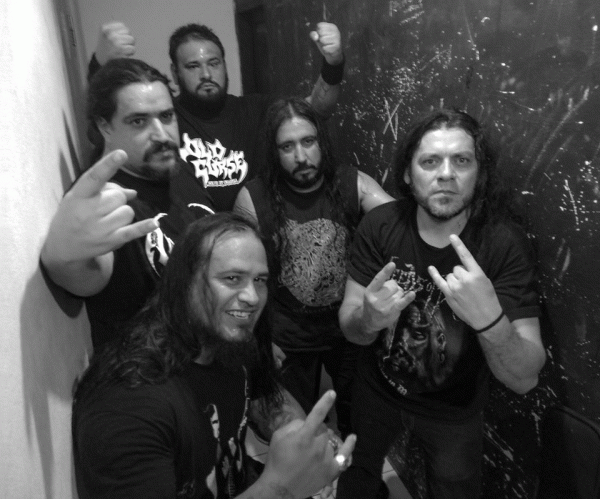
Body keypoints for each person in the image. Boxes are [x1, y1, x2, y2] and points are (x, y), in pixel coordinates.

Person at [334, 109, 547, 499]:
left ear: (479, 174)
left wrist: (490, 321)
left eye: (461, 160)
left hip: (454, 411)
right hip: (377, 391)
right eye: (430, 161)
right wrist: (369, 319)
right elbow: (351, 329)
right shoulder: (380, 225)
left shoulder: (502, 244)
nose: (446, 174)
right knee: (357, 477)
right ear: (407, 173)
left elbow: (524, 377)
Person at [72, 212, 356, 499]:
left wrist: (309, 442)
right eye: (232, 278)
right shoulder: (128, 406)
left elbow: (266, 397)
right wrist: (281, 487)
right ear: (184, 282)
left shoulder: (227, 341)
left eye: (259, 280)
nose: (252, 297)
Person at [233, 97, 395, 438]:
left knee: (358, 419)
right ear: (274, 152)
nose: (301, 156)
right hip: (286, 334)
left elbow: (400, 226)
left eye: (308, 141)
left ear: (321, 141)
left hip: (347, 328)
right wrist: (257, 338)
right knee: (296, 430)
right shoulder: (254, 198)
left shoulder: (352, 183)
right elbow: (240, 275)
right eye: (287, 146)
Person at [41, 58, 214, 349]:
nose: (162, 135)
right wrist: (62, 257)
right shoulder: (103, 201)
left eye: (167, 116)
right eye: (138, 121)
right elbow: (81, 273)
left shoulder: (176, 169)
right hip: (152, 371)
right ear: (104, 126)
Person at [91, 20, 345, 211]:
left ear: (224, 64)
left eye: (213, 63)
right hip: (192, 239)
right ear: (175, 72)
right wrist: (99, 63)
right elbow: (105, 130)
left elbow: (316, 110)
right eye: (193, 66)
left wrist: (333, 63)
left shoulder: (255, 109)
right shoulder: (166, 119)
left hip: (253, 237)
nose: (206, 74)